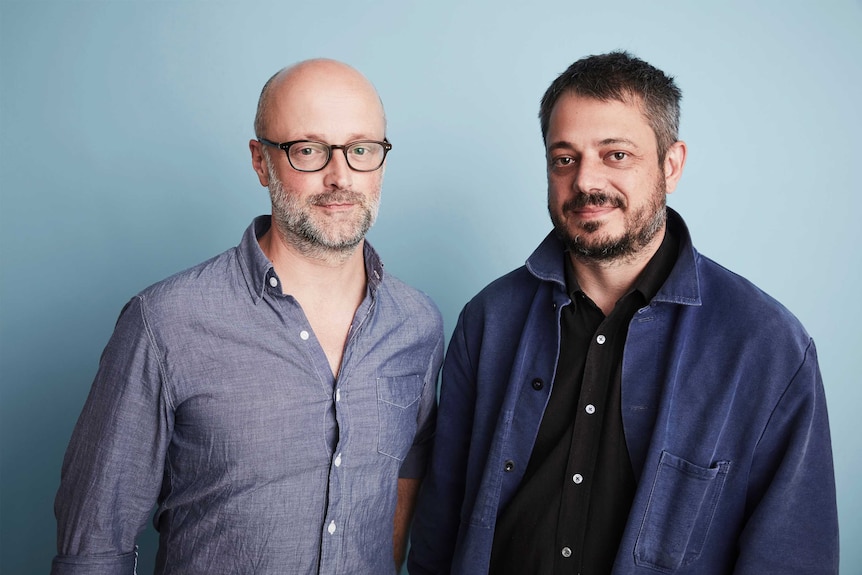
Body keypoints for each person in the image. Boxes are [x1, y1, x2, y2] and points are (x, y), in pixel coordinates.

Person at [408, 51, 839, 574]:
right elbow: (439, 528)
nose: (586, 182)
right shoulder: (489, 321)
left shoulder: (766, 346)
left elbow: (792, 557)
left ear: (671, 164)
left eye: (616, 155)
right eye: (564, 158)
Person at [52, 59, 443, 575]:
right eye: (308, 150)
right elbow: (93, 546)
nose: (339, 176)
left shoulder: (418, 325)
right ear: (261, 162)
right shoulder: (163, 323)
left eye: (361, 150)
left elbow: (408, 466)